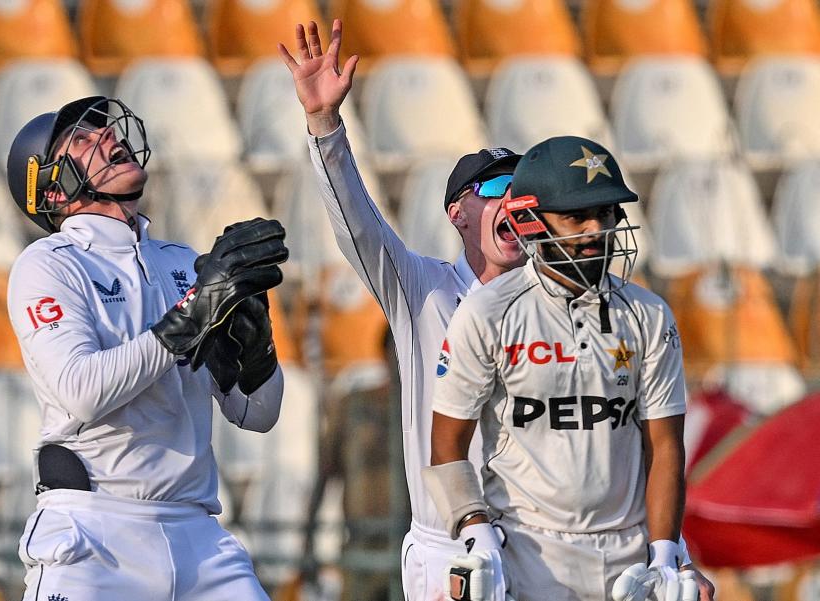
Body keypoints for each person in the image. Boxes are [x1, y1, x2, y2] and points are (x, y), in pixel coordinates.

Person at [279, 20, 714, 601]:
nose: (508, 198)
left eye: (519, 187)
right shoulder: (423, 290)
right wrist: (323, 125)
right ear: (456, 213)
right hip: (451, 544)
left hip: (550, 547)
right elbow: (356, 222)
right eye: (490, 189)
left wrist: (668, 553)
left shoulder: (586, 302)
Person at [4, 96, 288, 600]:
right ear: (53, 187)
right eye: (83, 140)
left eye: (103, 130)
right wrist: (195, 312)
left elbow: (257, 414)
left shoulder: (182, 263)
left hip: (199, 536)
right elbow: (83, 391)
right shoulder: (47, 264)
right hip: (94, 537)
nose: (108, 137)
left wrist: (257, 348)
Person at [424, 135, 708, 601]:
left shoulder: (649, 315)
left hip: (629, 558)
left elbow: (663, 445)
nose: (596, 229)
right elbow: (447, 442)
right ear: (530, 221)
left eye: (606, 212)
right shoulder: (487, 313)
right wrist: (476, 534)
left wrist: (666, 554)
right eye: (576, 216)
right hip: (528, 552)